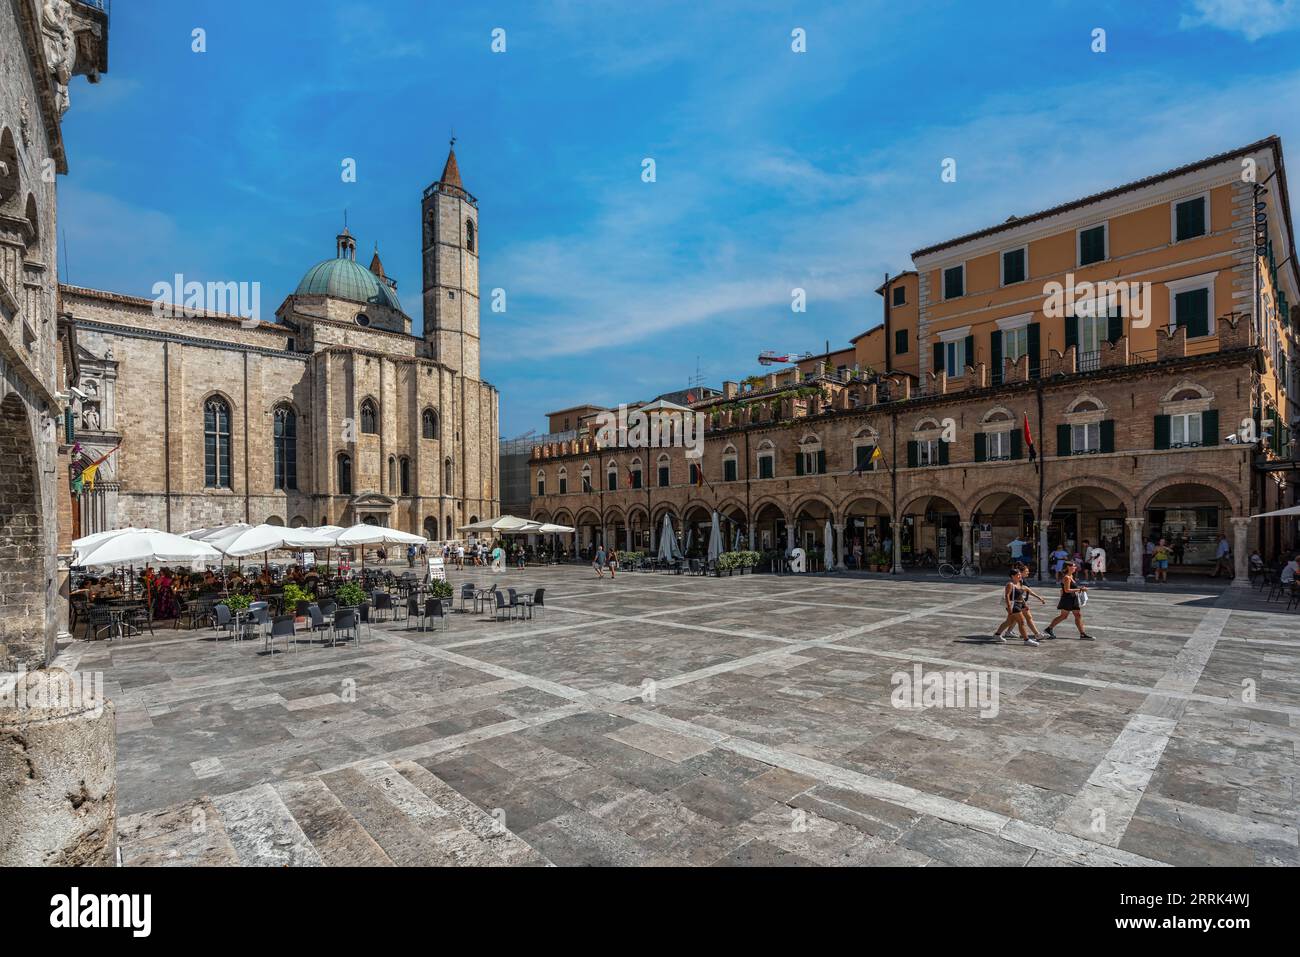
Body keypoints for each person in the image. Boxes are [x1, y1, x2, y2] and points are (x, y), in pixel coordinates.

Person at [992, 567, 1047, 645]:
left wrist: (1024, 604)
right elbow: (1007, 596)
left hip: (1019, 604)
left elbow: (1020, 596)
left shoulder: (1020, 583)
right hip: (1013, 605)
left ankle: (997, 635)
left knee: (1009, 621)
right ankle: (1026, 640)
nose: (1019, 576)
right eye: (1017, 575)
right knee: (1021, 622)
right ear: (1012, 576)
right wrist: (1009, 608)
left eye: (1020, 574)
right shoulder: (1010, 584)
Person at [1045, 560, 1094, 640]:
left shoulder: (1071, 576)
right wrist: (1080, 589)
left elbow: (1064, 590)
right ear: (1068, 567)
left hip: (1072, 599)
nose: (1075, 567)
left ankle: (1082, 634)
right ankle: (1049, 628)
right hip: (1068, 599)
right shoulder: (1067, 577)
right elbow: (1067, 590)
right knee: (1064, 616)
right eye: (1074, 566)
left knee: (1077, 615)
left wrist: (1079, 589)